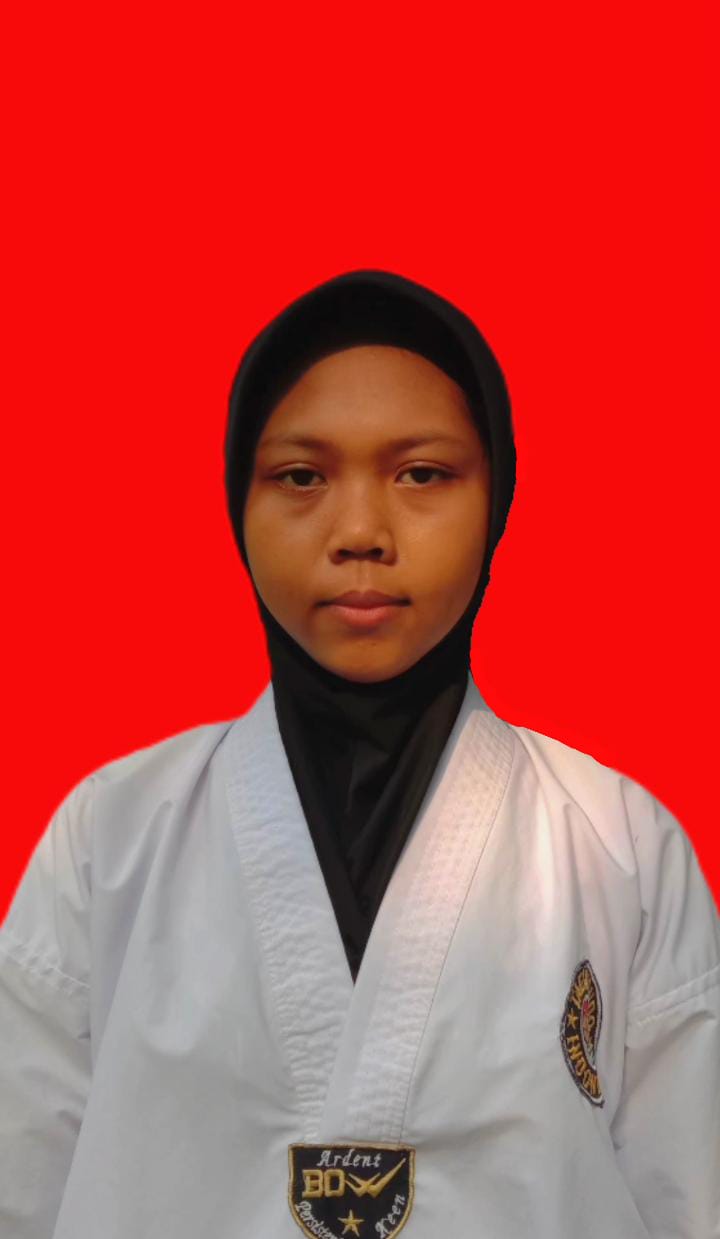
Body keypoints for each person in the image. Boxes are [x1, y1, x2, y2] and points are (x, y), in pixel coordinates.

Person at [1, 269, 718, 1239]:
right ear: (238, 501)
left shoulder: (618, 847)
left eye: (421, 474)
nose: (360, 534)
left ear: (498, 497)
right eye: (302, 476)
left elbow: (694, 1200)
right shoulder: (114, 838)